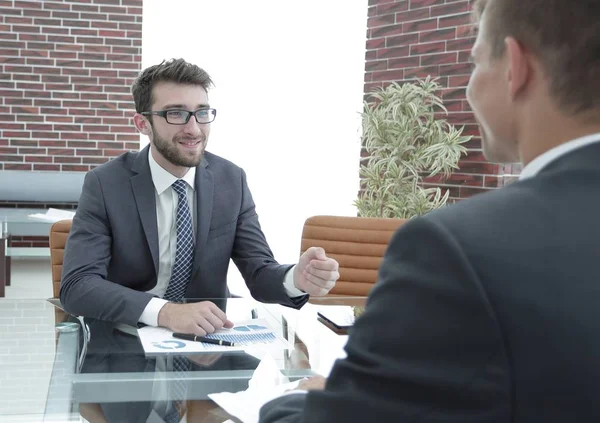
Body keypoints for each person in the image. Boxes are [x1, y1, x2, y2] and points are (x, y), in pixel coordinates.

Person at [259, 0, 600, 421]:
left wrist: (296, 399)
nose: (469, 88)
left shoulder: (457, 249)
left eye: (475, 62)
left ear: (515, 67)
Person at [60, 58, 340, 335]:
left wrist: (295, 278)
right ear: (143, 123)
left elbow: (259, 273)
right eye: (176, 114)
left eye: (202, 113)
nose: (194, 129)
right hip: (125, 339)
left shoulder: (231, 180)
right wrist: (165, 312)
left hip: (207, 343)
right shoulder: (106, 183)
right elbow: (78, 285)